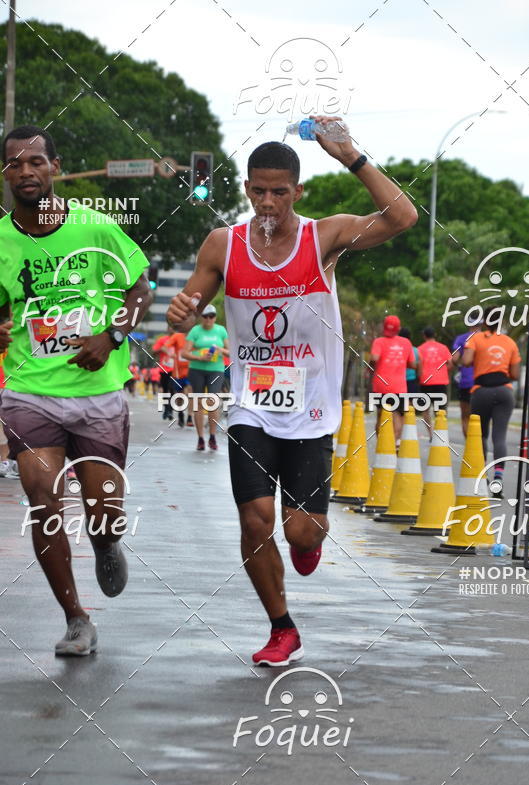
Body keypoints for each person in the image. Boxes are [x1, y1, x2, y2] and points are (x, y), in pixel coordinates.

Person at [166, 119, 418, 666]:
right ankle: (282, 627)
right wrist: (180, 312)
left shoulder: (323, 237)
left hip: (312, 408)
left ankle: (307, 541)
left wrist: (350, 156)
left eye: (279, 192)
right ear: (246, 189)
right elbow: (186, 309)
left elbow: (403, 217)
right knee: (254, 519)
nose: (268, 202)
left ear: (297, 191)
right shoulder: (223, 244)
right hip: (251, 405)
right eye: (258, 191)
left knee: (301, 531)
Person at [0, 124, 151, 655]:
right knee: (42, 497)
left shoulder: (95, 227)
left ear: (55, 168)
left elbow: (139, 288)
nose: (25, 171)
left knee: (102, 511)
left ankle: (106, 542)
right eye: (14, 164)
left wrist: (111, 337)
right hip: (30, 389)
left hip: (97, 391)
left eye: (35, 162)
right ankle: (76, 618)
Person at [462, 307, 521, 498]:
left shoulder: (476, 338)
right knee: (500, 437)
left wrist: (479, 358)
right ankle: (498, 479)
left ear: (485, 321)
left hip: (481, 392)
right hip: (504, 392)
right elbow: (515, 374)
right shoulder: (510, 342)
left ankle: (483, 477)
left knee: (481, 435)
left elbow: (466, 361)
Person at [182, 303, 229, 450]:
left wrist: (220, 349)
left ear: (215, 317)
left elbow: (231, 352)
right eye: (205, 316)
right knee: (199, 402)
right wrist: (200, 357)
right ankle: (200, 438)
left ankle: (212, 437)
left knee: (212, 401)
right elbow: (184, 353)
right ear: (201, 317)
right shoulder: (195, 330)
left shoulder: (221, 330)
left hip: (216, 369)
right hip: (197, 369)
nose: (208, 319)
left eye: (211, 316)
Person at [367, 315, 415, 443]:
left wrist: (370, 369)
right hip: (399, 387)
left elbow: (374, 358)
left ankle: (381, 445)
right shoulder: (406, 343)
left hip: (381, 386)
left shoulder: (379, 341)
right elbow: (412, 364)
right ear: (398, 328)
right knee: (397, 415)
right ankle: (394, 444)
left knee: (380, 415)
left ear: (384, 327)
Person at [417, 326, 452, 439]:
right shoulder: (443, 348)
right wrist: (443, 371)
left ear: (424, 336)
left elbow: (418, 365)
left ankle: (431, 433)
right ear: (434, 335)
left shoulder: (420, 349)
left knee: (425, 410)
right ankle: (440, 432)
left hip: (425, 382)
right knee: (441, 410)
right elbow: (450, 363)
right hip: (441, 382)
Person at [451, 329, 476, 437]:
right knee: (481, 417)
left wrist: (461, 363)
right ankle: (480, 443)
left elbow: (454, 359)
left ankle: (469, 443)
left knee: (465, 416)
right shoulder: (486, 338)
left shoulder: (461, 339)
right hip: (483, 382)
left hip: (466, 380)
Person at [399, 326, 419, 396]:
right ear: (410, 337)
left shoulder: (396, 349)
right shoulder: (416, 350)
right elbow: (419, 365)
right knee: (411, 401)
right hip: (411, 380)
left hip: (398, 381)